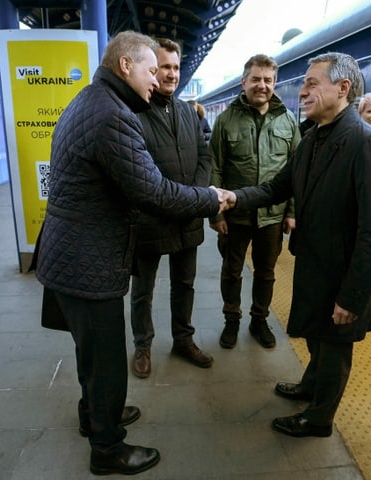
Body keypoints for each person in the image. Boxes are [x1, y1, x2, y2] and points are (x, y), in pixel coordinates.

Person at [35, 31, 226, 476]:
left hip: (71, 250)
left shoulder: (91, 99)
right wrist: (212, 198)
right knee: (106, 359)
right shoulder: (112, 115)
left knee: (91, 352)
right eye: (149, 70)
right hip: (87, 258)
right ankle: (107, 448)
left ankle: (93, 415)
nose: (156, 79)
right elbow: (153, 191)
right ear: (126, 66)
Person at [221, 52, 371, 437]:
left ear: (343, 88)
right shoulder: (313, 138)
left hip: (341, 276)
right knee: (320, 338)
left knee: (335, 347)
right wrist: (234, 198)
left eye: (311, 84)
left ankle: (319, 418)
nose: (301, 92)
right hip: (315, 265)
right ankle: (309, 385)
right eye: (303, 84)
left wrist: (353, 297)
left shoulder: (369, 144)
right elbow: (276, 187)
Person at [130, 38, 214, 379]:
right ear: (152, 69)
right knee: (143, 290)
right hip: (150, 219)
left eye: (176, 67)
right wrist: (178, 199)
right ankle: (143, 346)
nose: (171, 74)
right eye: (164, 67)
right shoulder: (136, 111)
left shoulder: (188, 112)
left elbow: (205, 156)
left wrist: (194, 195)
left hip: (187, 217)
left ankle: (183, 339)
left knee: (185, 284)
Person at [209, 54, 300, 350]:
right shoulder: (225, 121)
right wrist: (216, 214)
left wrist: (291, 211)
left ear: (275, 83)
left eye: (268, 80)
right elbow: (215, 168)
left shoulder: (288, 121)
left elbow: (295, 171)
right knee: (232, 270)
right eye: (257, 79)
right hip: (234, 215)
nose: (262, 85)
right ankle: (231, 320)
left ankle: (259, 320)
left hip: (272, 216)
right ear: (244, 81)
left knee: (267, 272)